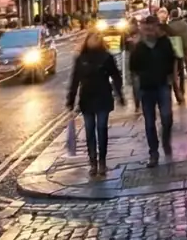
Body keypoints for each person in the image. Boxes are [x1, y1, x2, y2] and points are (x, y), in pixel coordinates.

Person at [66, 29, 124, 178]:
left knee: (101, 129)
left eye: (98, 37)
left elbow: (116, 76)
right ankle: (93, 162)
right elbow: (74, 80)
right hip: (87, 99)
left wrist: (120, 94)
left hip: (103, 97)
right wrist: (70, 102)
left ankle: (102, 162)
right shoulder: (81, 59)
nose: (95, 40)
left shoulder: (106, 57)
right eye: (92, 37)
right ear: (87, 40)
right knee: (90, 131)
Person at [128, 14, 178, 166]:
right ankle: (153, 153)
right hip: (146, 88)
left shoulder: (164, 43)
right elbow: (133, 67)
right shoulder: (139, 47)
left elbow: (172, 59)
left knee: (167, 117)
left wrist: (172, 79)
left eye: (152, 28)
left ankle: (165, 140)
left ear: (157, 28)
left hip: (163, 85)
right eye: (146, 28)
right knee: (149, 122)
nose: (149, 31)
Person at [166, 7, 187, 105]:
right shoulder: (185, 24)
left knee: (174, 74)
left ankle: (178, 93)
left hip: (173, 52)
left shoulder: (169, 26)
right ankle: (182, 90)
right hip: (183, 49)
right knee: (181, 72)